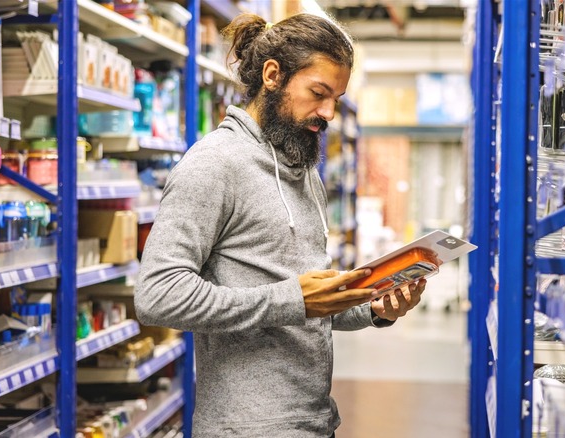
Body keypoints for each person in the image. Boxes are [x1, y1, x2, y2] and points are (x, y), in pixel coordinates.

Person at [135, 12, 427, 438]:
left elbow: (308, 302)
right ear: (272, 75)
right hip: (245, 428)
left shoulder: (303, 169)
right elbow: (157, 295)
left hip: (313, 421)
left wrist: (373, 306)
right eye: (318, 93)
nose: (328, 112)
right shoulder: (214, 164)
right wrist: (293, 299)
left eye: (337, 98)